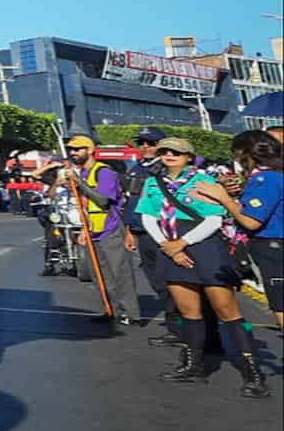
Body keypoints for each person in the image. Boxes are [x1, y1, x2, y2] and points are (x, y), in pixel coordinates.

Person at [140, 136, 265, 397]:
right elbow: (148, 217)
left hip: (204, 246)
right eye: (164, 151)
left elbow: (214, 219)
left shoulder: (204, 181)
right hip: (170, 245)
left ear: (189, 157)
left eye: (176, 151)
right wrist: (167, 245)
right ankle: (192, 366)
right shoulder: (152, 183)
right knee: (190, 313)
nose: (169, 154)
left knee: (227, 311)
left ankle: (253, 372)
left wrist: (181, 243)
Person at [48, 134, 139, 325]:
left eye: (78, 149)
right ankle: (111, 309)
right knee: (100, 275)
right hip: (91, 230)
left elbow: (103, 200)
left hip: (110, 228)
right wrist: (84, 230)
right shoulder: (81, 173)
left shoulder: (104, 172)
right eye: (71, 149)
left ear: (89, 150)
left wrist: (79, 182)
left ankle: (131, 313)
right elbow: (84, 204)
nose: (74, 153)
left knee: (119, 272)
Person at [219, 129, 283, 334]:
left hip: (272, 246)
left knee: (280, 304)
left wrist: (224, 198)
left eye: (237, 153)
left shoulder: (266, 179)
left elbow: (251, 220)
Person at [119, 128, 176, 343]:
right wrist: (130, 231)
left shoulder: (166, 167)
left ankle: (183, 327)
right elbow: (131, 203)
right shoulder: (136, 168)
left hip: (163, 231)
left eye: (150, 143)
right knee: (157, 282)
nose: (144, 146)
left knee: (171, 282)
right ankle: (176, 326)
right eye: (141, 142)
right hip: (141, 231)